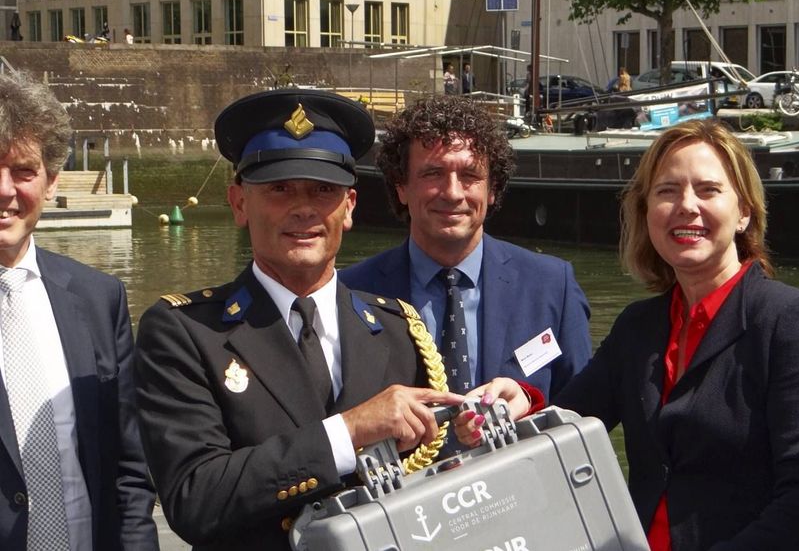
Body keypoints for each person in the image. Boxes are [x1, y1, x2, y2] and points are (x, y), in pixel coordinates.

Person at [459, 120, 799, 551]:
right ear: (646, 213)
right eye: (667, 191)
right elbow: (568, 420)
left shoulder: (792, 322)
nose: (686, 206)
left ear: (744, 213)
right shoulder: (638, 328)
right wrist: (523, 399)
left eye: (708, 190)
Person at [133, 89, 464, 551]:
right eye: (279, 189)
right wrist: (348, 432)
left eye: (323, 190)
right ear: (239, 203)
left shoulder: (397, 328)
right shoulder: (187, 333)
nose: (304, 208)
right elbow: (196, 499)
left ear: (349, 206)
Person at [340, 94, 591, 402]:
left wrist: (529, 405)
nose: (453, 193)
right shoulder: (350, 294)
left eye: (470, 175)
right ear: (401, 186)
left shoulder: (552, 287)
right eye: (433, 174)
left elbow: (583, 415)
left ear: (492, 190)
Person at [0, 71, 158, 549]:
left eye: (23, 172)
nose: (5, 190)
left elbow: (129, 467)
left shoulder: (98, 297)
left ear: (51, 183)